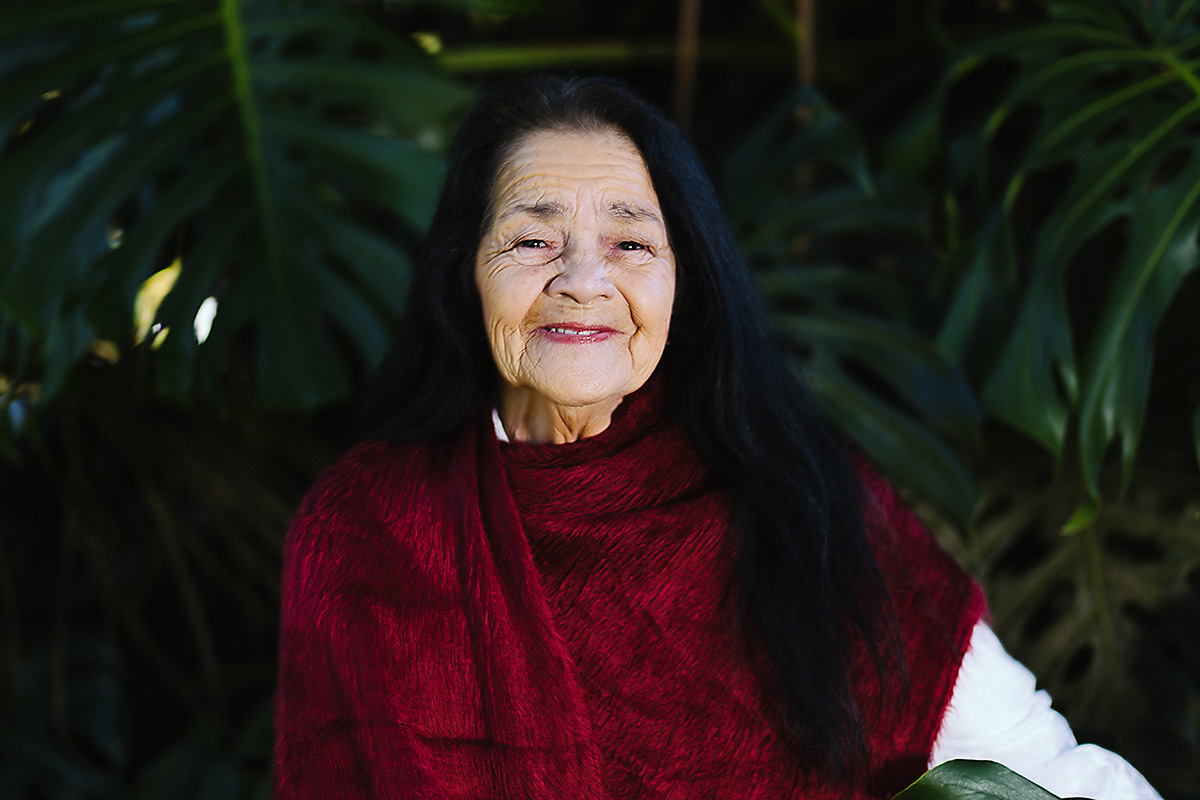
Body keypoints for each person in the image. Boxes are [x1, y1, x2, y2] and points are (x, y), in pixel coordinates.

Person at [272, 76, 1159, 799]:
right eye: (533, 238)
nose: (583, 280)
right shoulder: (364, 527)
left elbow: (1038, 774)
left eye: (631, 244)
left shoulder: (799, 496)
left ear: (684, 281)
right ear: (465, 273)